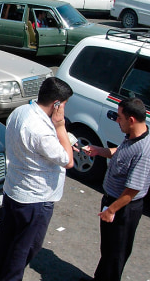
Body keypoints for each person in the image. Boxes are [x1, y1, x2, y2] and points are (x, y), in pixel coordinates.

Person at [0, 77, 74, 281]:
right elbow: (68, 161)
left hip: (14, 189)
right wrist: (60, 127)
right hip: (36, 199)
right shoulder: (41, 131)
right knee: (24, 250)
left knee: (5, 243)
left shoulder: (20, 112)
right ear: (57, 104)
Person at [80, 98, 150, 281]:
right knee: (108, 250)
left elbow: (132, 190)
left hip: (123, 209)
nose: (117, 121)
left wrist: (111, 210)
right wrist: (98, 150)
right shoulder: (133, 137)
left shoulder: (144, 150)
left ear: (131, 119)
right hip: (113, 203)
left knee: (115, 255)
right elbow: (119, 153)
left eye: (120, 117)